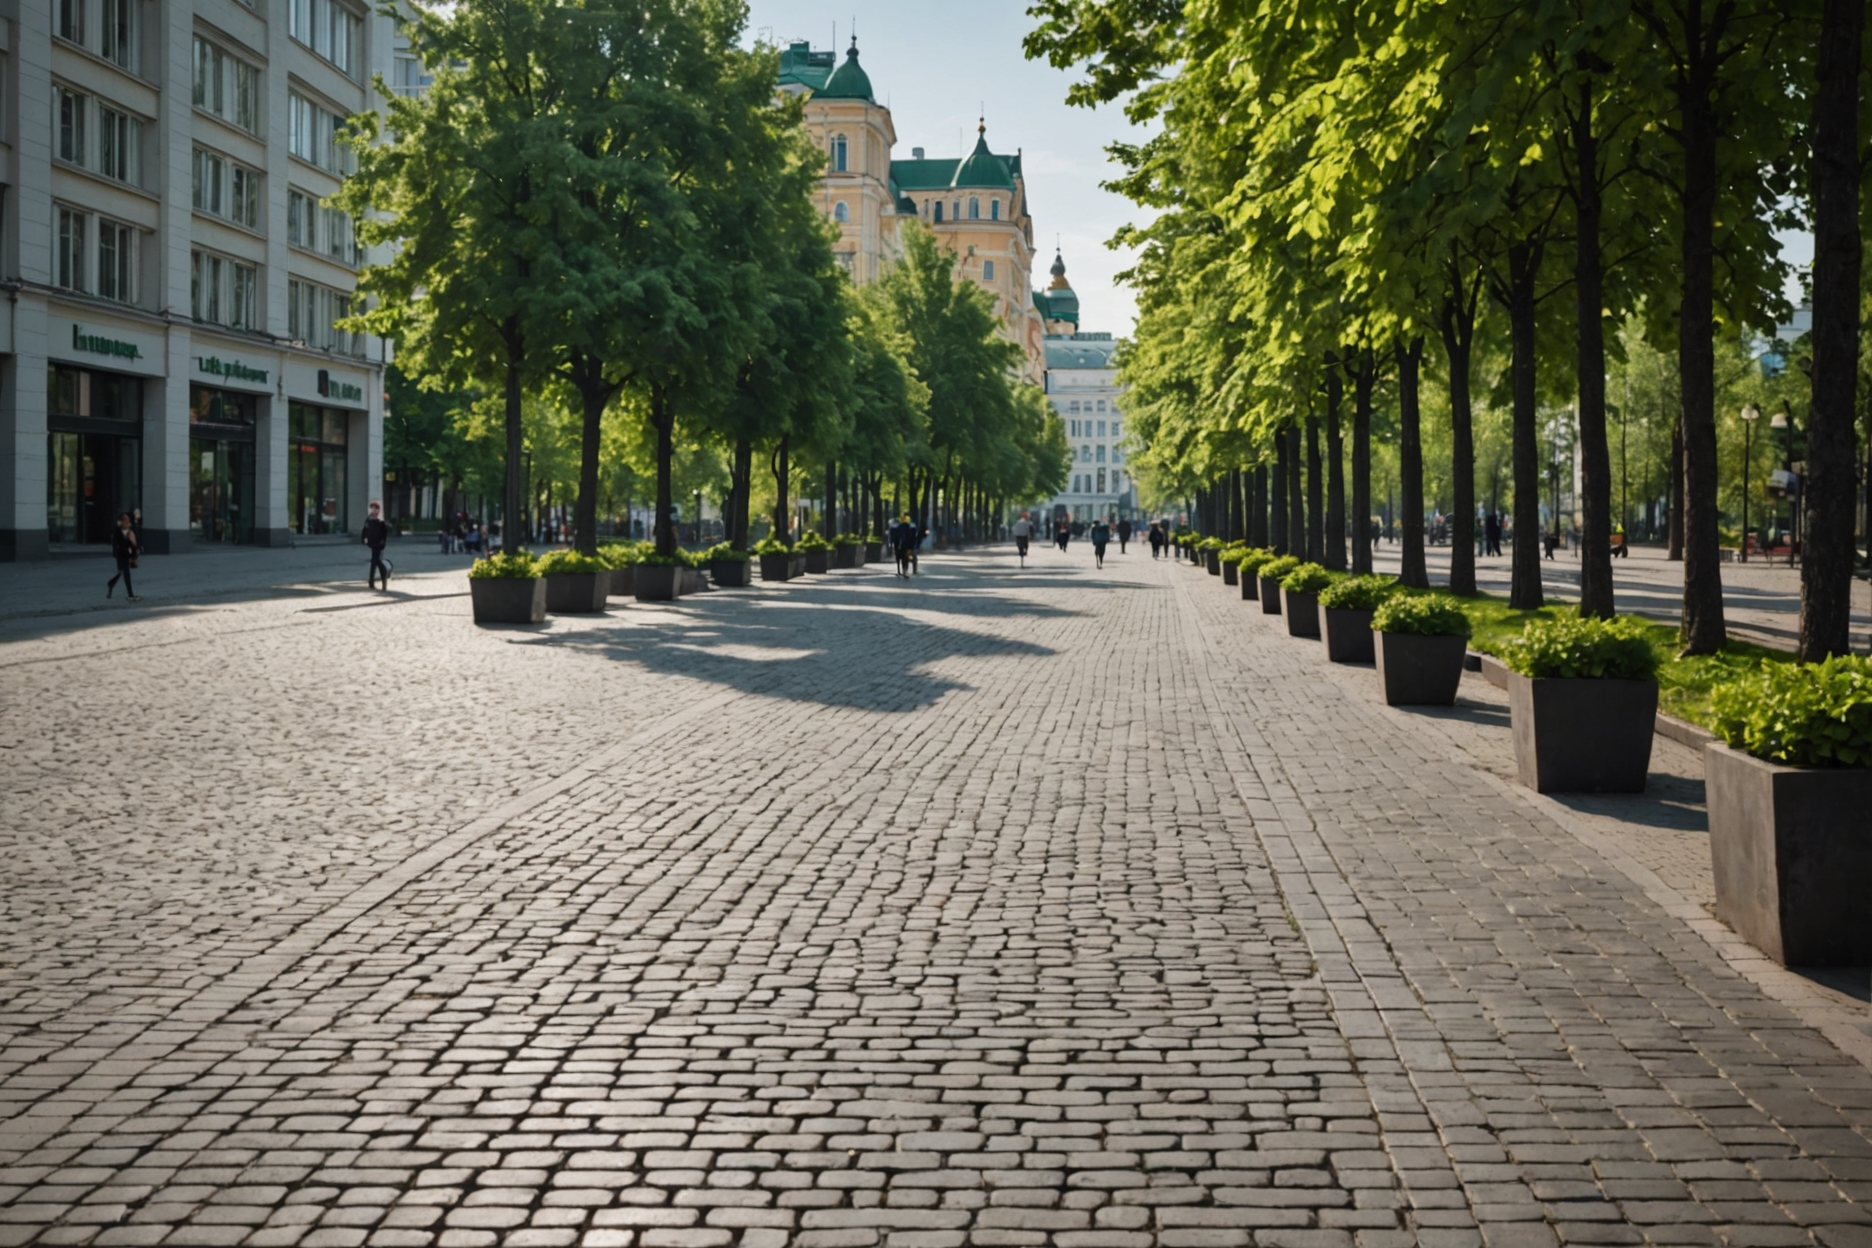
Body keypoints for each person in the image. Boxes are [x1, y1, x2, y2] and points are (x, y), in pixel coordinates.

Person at [106, 512, 141, 601]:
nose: (127, 522)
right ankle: (130, 594)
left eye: (127, 520)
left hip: (126, 555)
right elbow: (116, 544)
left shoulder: (129, 531)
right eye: (125, 520)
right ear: (121, 522)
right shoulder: (117, 532)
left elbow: (131, 543)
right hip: (120, 555)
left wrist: (134, 554)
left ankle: (111, 584)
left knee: (122, 572)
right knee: (125, 573)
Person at [364, 501, 391, 590]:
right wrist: (365, 540)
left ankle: (375, 580)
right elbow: (365, 531)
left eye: (376, 509)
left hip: (378, 544)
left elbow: (384, 534)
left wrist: (382, 543)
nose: (373, 510)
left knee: (375, 561)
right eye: (372, 508)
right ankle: (376, 580)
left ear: (378, 511)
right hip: (372, 543)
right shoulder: (368, 520)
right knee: (375, 562)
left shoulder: (380, 522)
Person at [889, 513, 918, 578]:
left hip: (900, 545)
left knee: (901, 557)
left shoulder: (897, 527)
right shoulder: (910, 527)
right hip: (907, 545)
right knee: (906, 558)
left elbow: (893, 537)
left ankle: (902, 571)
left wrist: (892, 544)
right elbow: (913, 537)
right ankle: (905, 571)